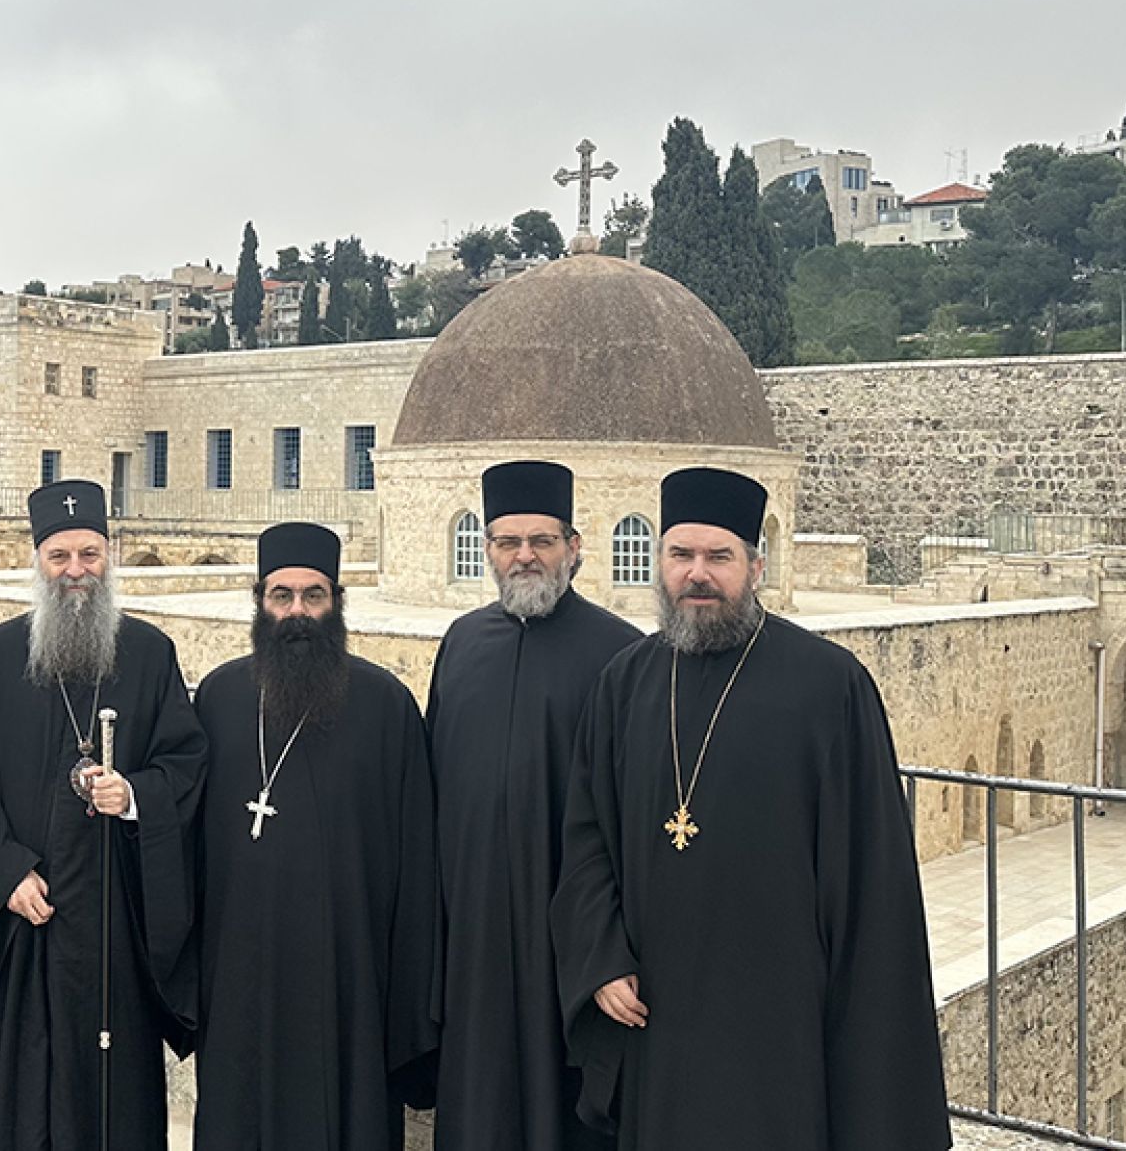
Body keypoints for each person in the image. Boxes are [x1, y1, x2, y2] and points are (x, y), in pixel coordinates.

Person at [551, 467, 951, 1150]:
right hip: (659, 1011)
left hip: (781, 1021)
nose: (697, 574)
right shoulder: (624, 685)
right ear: (660, 565)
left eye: (718, 557)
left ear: (755, 566)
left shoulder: (831, 688)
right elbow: (586, 838)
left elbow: (873, 880)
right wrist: (601, 956)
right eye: (681, 555)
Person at [0, 479, 208, 1149]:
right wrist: (5, 878)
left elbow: (186, 764)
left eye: (89, 554)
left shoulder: (149, 653)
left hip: (113, 925)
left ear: (109, 554)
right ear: (38, 563)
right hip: (24, 928)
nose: (76, 571)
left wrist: (136, 795)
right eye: (60, 557)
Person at [188, 522, 439, 1151]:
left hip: (349, 985)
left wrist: (408, 1009)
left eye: (313, 595)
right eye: (282, 595)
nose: (296, 612)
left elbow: (418, 866)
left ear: (336, 602)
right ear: (260, 601)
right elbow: (182, 844)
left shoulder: (386, 707)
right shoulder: (218, 699)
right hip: (238, 977)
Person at [424, 461, 639, 1151]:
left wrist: (609, 949)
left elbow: (631, 819)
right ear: (486, 549)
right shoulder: (460, 645)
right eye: (507, 541)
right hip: (475, 932)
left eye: (541, 541)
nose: (524, 556)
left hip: (568, 943)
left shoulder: (620, 654)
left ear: (574, 548)